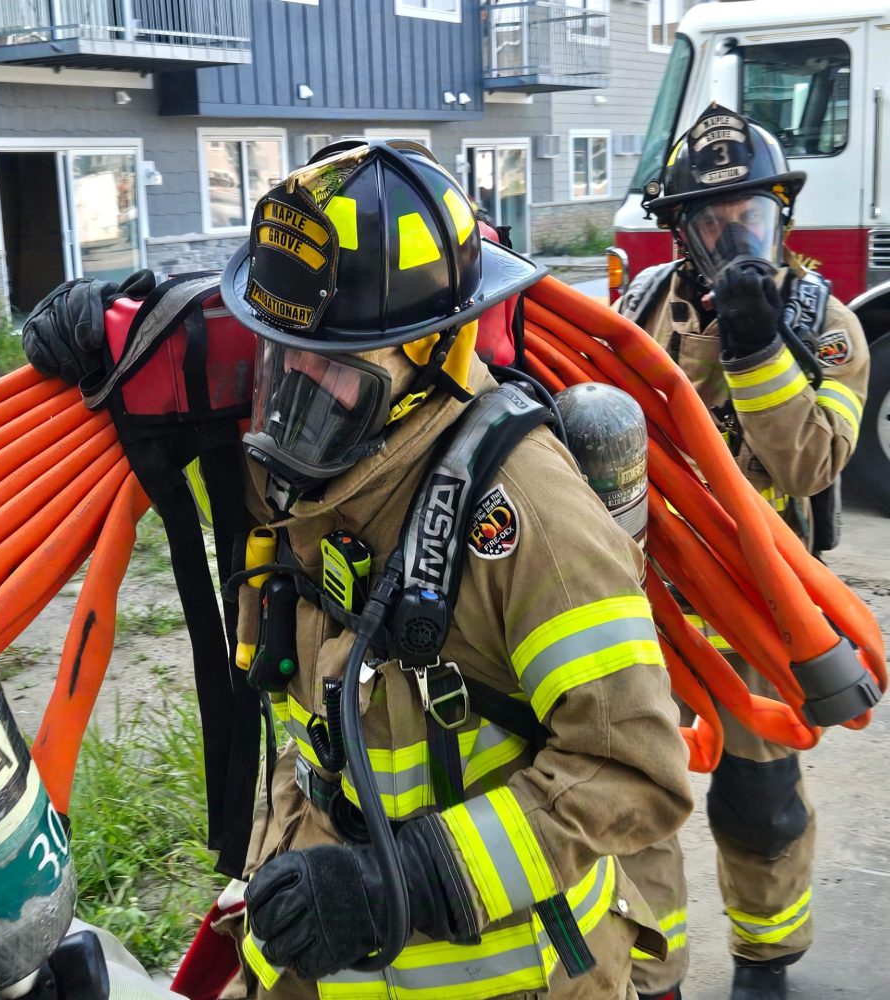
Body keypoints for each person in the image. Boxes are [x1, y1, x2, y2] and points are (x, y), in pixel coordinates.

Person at [213, 138, 694, 999]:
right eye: (283, 359)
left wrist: (404, 883)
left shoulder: (526, 512)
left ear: (434, 352)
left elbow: (633, 771)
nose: (298, 388)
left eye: (335, 367)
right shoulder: (328, 480)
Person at [616, 104, 871, 1000]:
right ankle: (654, 976)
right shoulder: (639, 307)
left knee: (758, 809)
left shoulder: (827, 325)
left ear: (782, 213)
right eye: (710, 221)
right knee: (635, 801)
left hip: (756, 608)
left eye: (751, 215)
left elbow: (811, 462)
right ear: (679, 229)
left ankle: (766, 963)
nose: (733, 237)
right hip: (645, 605)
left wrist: (760, 347)